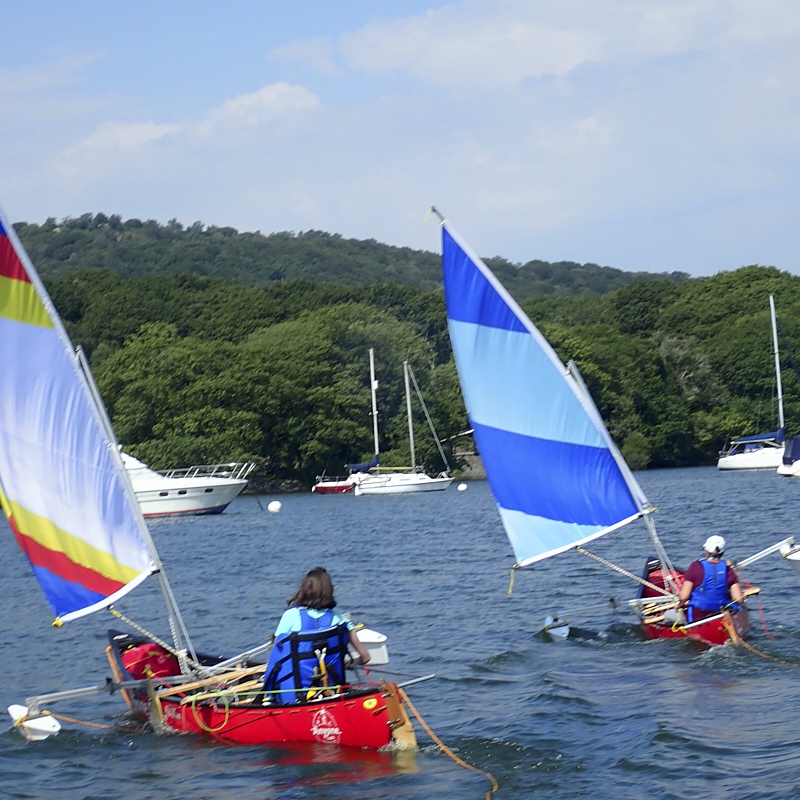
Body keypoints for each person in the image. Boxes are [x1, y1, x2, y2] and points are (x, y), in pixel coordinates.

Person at [262, 567, 371, 703]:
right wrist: (349, 663)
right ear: (329, 591)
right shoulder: (341, 620)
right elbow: (365, 657)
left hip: (295, 696)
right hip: (330, 691)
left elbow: (275, 659)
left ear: (304, 590)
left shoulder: (290, 616)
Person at [678, 535, 743, 622]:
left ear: (706, 550)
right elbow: (738, 598)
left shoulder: (695, 566)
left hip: (698, 615)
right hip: (721, 614)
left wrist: (679, 605)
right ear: (723, 552)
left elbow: (683, 597)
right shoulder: (727, 569)